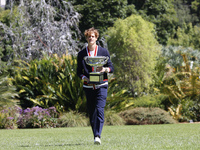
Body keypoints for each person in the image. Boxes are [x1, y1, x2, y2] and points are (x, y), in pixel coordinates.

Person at [77, 27, 114, 145]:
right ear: (86, 38)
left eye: (92, 36)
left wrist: (104, 69)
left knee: (99, 109)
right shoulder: (82, 54)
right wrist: (84, 78)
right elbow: (79, 71)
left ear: (96, 38)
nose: (90, 38)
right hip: (88, 86)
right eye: (88, 36)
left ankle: (98, 135)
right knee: (92, 112)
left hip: (102, 85)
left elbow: (111, 68)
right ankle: (95, 135)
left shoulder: (103, 52)